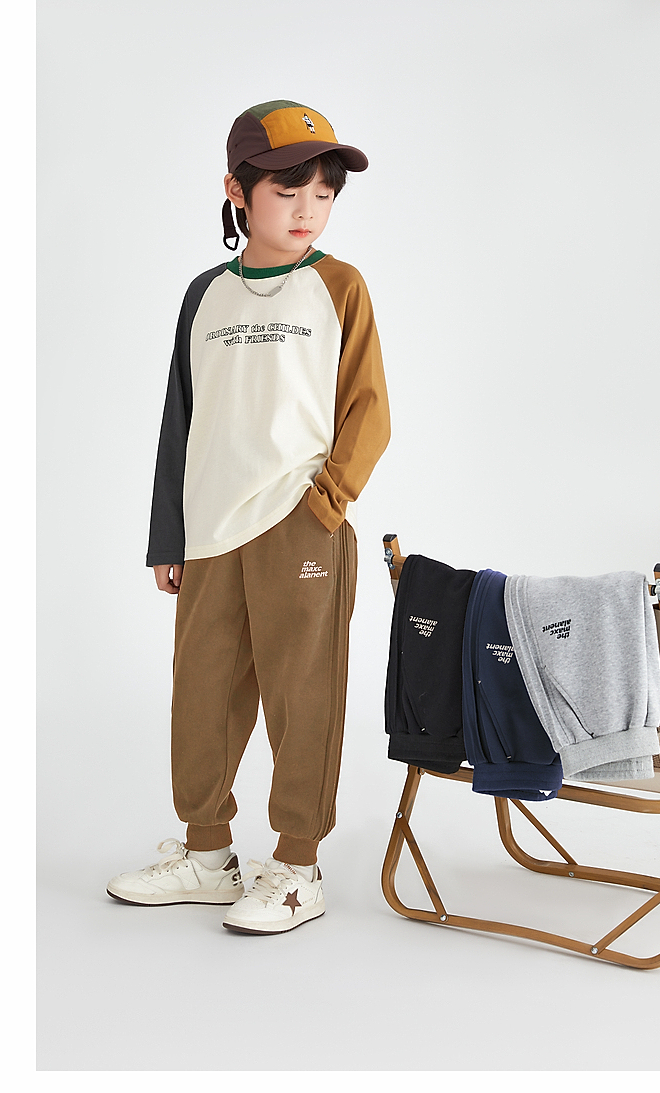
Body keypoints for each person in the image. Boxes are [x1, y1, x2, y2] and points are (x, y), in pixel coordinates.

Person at [106, 100, 390, 935]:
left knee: (303, 696)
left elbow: (369, 409)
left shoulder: (339, 286)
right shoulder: (205, 294)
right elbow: (180, 417)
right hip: (209, 529)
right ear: (237, 191)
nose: (308, 210)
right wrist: (169, 534)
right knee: (201, 694)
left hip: (300, 522)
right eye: (287, 191)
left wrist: (325, 502)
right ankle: (207, 856)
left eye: (324, 193)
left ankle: (297, 867)